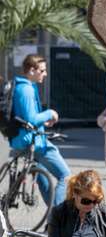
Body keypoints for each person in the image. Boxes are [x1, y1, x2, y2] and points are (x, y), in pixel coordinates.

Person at [11, 54, 70, 205]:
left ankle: (51, 221)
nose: (45, 74)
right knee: (65, 176)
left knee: (43, 180)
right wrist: (50, 113)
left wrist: (44, 123)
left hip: (26, 139)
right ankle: (56, 221)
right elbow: (31, 119)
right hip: (33, 142)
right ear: (32, 70)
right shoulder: (26, 90)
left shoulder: (23, 87)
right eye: (42, 70)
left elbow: (27, 118)